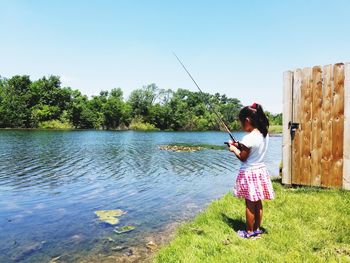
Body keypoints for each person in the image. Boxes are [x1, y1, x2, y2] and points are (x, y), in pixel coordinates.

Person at [229, 103, 275, 239]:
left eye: (242, 123)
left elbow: (243, 157)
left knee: (249, 204)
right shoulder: (264, 134)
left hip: (249, 173)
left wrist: (234, 149)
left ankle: (249, 233)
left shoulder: (248, 138)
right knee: (258, 202)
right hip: (260, 171)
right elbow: (252, 149)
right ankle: (257, 229)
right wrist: (240, 145)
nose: (242, 126)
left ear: (248, 121)